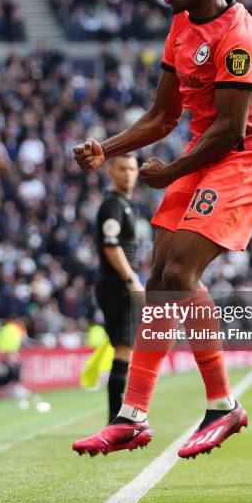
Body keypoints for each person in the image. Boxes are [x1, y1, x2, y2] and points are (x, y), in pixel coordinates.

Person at [72, 0, 252, 460]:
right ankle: (132, 416)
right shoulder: (182, 26)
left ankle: (222, 405)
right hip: (200, 152)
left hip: (243, 157)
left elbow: (231, 130)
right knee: (160, 280)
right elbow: (163, 116)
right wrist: (107, 147)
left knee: (181, 273)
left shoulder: (239, 39)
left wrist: (167, 175)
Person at [95, 153, 144, 423]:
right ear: (110, 171)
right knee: (125, 348)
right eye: (122, 169)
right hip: (116, 285)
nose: (128, 174)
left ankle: (119, 416)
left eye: (132, 169)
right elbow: (110, 245)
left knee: (128, 348)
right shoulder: (112, 204)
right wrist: (131, 279)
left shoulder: (123, 204)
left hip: (119, 284)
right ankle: (116, 419)